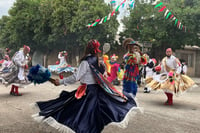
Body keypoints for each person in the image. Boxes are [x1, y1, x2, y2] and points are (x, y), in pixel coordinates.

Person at [32, 39, 138, 133]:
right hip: (97, 90)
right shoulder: (97, 60)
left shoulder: (86, 61)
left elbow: (75, 77)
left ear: (87, 48)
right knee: (96, 114)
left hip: (87, 91)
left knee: (75, 111)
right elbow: (102, 73)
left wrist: (60, 82)